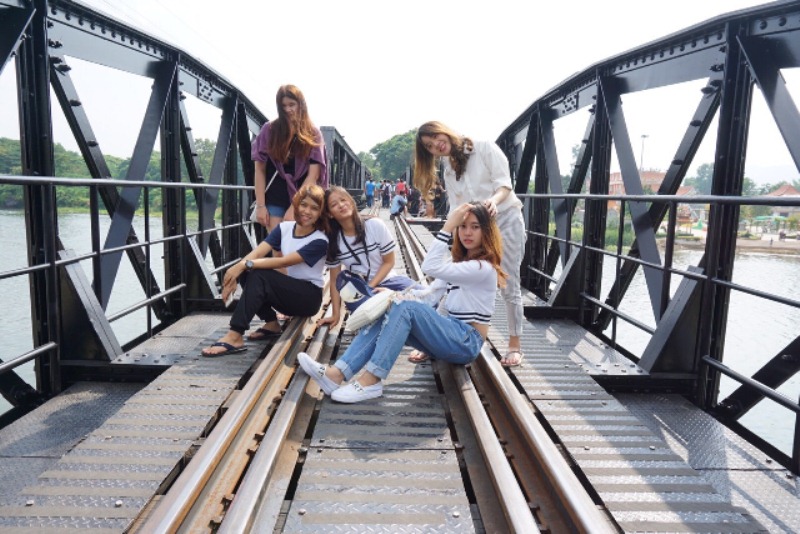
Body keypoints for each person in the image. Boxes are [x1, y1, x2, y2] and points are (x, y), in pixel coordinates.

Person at [299, 202, 507, 402]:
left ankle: (372, 379)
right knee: (391, 308)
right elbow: (431, 296)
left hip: (466, 341)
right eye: (462, 226)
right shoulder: (459, 263)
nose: (467, 233)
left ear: (487, 231)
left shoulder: (482, 268)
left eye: (475, 227)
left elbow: (429, 267)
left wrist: (448, 226)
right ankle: (337, 374)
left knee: (404, 308)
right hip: (450, 335)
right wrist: (392, 295)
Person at [413, 120, 526, 367]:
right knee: (454, 277)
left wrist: (493, 201)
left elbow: (504, 185)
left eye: (436, 138)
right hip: (473, 226)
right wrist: (452, 237)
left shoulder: (484, 147)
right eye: (429, 146)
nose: (436, 146)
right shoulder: (448, 169)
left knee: (509, 281)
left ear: (444, 130)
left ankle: (514, 345)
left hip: (505, 219)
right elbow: (456, 206)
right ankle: (438, 339)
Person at [201, 185, 328, 356]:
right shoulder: (284, 228)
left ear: (321, 213)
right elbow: (257, 252)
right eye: (304, 205)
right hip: (288, 293)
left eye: (314, 208)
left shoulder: (320, 241)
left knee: (258, 272)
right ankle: (271, 323)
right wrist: (236, 271)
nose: (307, 211)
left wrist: (243, 265)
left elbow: (283, 261)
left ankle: (235, 335)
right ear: (296, 204)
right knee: (248, 271)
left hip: (308, 298)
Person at [318, 186, 418, 330]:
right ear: (330, 214)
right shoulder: (334, 240)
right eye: (334, 205)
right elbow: (334, 280)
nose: (341, 205)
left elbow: (389, 262)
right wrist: (335, 315)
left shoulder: (374, 225)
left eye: (343, 200)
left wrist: (370, 287)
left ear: (351, 201)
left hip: (388, 281)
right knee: (386, 319)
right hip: (360, 292)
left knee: (424, 297)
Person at [251, 85, 328, 234]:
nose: (287, 109)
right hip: (274, 197)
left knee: (298, 244)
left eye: (292, 104)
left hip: (304, 199)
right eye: (283, 106)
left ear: (301, 104)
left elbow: (313, 175)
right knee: (277, 244)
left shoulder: (313, 133)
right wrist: (260, 206)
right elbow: (259, 169)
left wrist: (295, 207)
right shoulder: (270, 130)